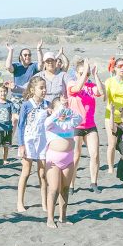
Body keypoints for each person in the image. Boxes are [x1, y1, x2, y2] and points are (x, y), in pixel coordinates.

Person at [43, 97, 82, 228]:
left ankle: (63, 217)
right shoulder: (52, 123)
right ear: (52, 110)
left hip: (68, 159)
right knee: (53, 188)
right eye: (60, 108)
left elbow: (79, 119)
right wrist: (57, 112)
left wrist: (67, 110)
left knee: (65, 189)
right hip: (53, 159)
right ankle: (50, 218)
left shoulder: (69, 122)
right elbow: (47, 122)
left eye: (64, 108)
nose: (62, 111)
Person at [68, 59, 104, 194]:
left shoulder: (91, 86)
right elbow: (77, 88)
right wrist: (85, 72)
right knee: (75, 157)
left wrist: (95, 74)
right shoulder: (71, 84)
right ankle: (71, 184)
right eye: (82, 73)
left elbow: (100, 92)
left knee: (94, 155)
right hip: (76, 126)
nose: (85, 76)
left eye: (86, 73)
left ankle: (94, 182)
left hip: (90, 125)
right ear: (76, 73)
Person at [16, 76, 49, 212]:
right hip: (28, 140)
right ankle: (20, 202)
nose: (44, 90)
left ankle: (45, 203)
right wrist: (21, 144)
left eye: (45, 87)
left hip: (43, 141)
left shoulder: (47, 104)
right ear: (32, 89)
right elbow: (21, 125)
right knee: (26, 172)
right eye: (41, 88)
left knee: (42, 173)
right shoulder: (26, 104)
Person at [0, 83, 16, 165]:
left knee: (6, 146)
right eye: (1, 91)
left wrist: (15, 121)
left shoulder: (10, 103)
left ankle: (5, 159)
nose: (3, 93)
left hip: (8, 128)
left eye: (4, 91)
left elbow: (14, 114)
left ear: (7, 92)